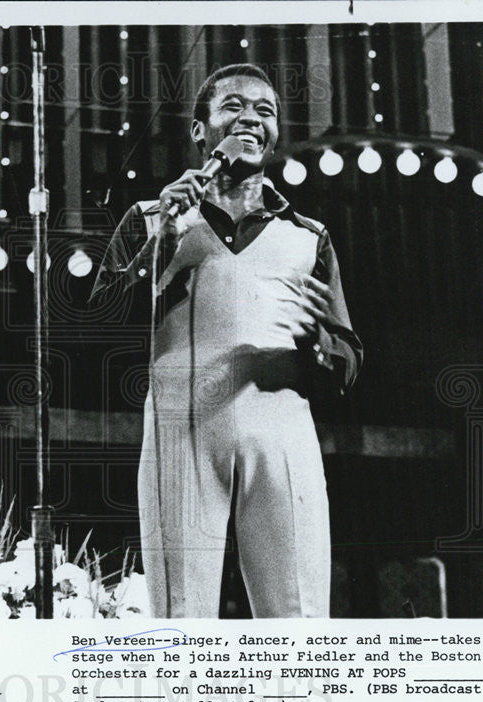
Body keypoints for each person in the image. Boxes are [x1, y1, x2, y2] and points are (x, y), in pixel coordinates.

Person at [91, 64, 363, 618]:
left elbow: (349, 357)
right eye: (235, 107)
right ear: (200, 132)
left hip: (282, 434)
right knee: (181, 620)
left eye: (266, 111)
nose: (252, 120)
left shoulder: (308, 237)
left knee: (299, 618)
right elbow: (96, 324)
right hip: (180, 430)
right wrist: (162, 243)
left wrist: (317, 346)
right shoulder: (149, 218)